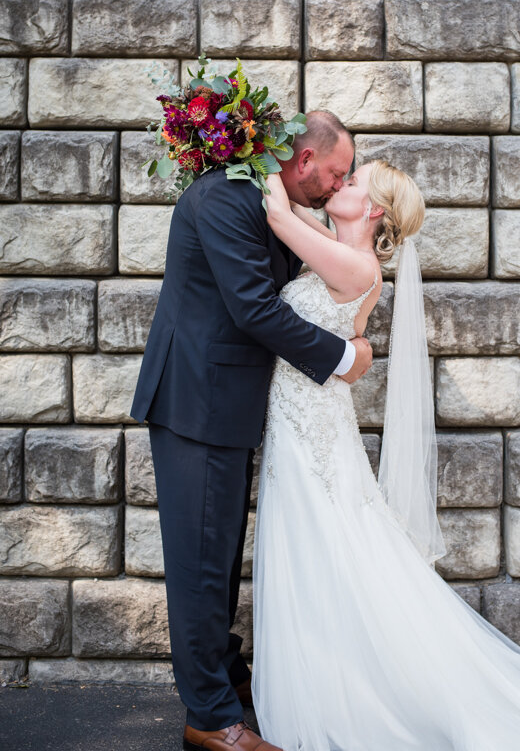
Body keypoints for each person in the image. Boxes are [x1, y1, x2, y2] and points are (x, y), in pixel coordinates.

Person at [252, 159, 520, 751]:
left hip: (311, 430)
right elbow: (291, 211)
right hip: (306, 424)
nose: (338, 184)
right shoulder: (336, 248)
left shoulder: (356, 264)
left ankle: (353, 692)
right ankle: (336, 678)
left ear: (373, 210)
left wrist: (252, 140)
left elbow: (275, 210)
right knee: (322, 548)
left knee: (327, 545)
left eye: (352, 182)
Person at [129, 111, 373, 751]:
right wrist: (341, 358)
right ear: (305, 160)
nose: (338, 183)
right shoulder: (223, 198)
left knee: (220, 556)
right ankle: (209, 719)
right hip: (196, 404)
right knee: (199, 564)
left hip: (230, 405)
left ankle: (227, 674)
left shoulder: (272, 203)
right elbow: (253, 307)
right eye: (337, 171)